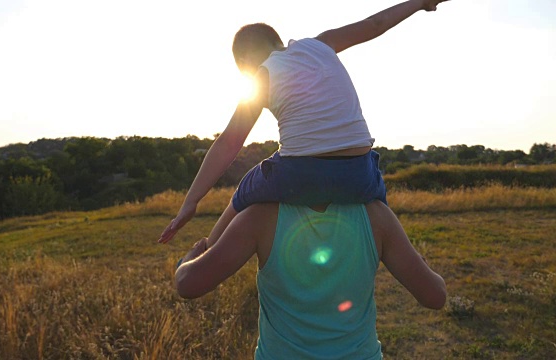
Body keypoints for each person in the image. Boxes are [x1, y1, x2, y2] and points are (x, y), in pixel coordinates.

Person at [158, 0, 451, 246]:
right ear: (278, 41)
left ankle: (210, 248)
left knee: (247, 186)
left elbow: (230, 142)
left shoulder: (263, 75)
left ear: (247, 59)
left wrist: (191, 202)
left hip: (302, 175)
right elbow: (376, 24)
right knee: (374, 184)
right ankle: (381, 239)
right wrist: (420, 3)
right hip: (360, 174)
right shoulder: (323, 44)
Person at [174, 200, 447, 358]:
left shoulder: (261, 215)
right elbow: (435, 296)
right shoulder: (375, 213)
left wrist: (186, 262)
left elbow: (188, 284)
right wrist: (423, 266)